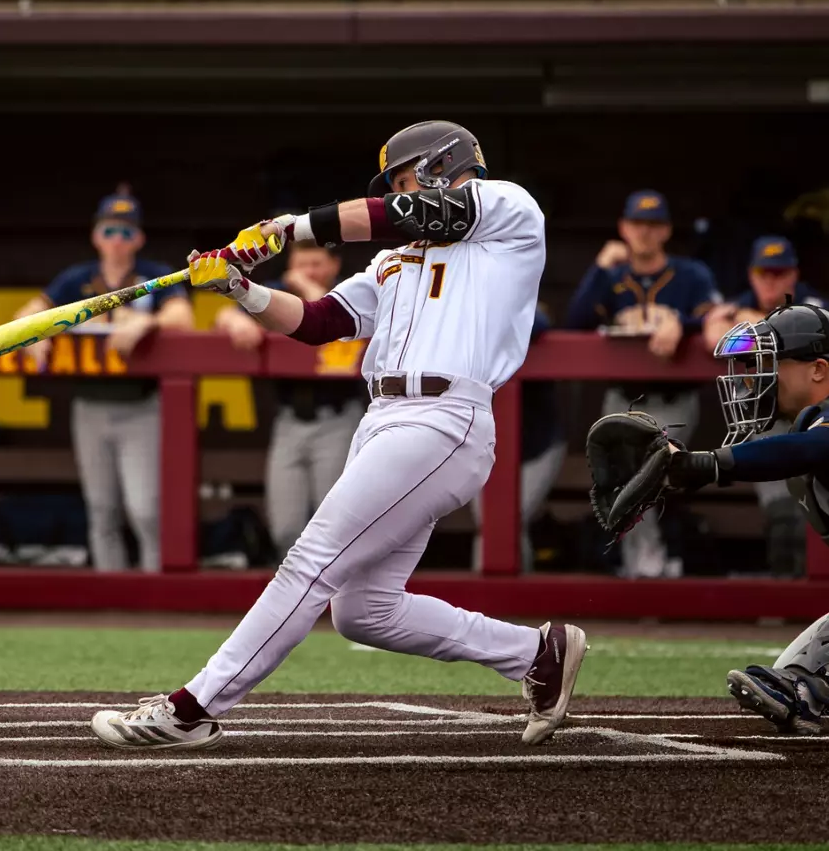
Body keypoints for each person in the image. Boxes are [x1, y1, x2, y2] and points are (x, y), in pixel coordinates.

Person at [89, 122, 585, 751]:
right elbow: (323, 321)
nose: (398, 196)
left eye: (404, 180)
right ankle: (535, 652)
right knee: (364, 611)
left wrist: (291, 227)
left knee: (310, 561)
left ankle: (193, 707)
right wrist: (239, 289)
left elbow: (415, 211)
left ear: (441, 166)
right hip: (382, 418)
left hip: (444, 417)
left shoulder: (509, 211)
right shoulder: (395, 261)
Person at [659, 302, 829, 734]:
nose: (756, 376)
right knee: (826, 674)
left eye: (772, 363)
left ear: (819, 369)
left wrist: (705, 464)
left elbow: (808, 450)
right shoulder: (819, 426)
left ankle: (799, 686)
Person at [16, 190, 195, 573]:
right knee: (101, 511)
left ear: (139, 239)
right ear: (97, 236)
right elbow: (28, 312)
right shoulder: (77, 280)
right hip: (90, 405)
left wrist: (148, 321)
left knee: (146, 509)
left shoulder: (152, 275)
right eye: (110, 231)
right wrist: (37, 332)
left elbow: (184, 318)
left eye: (126, 233)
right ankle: (112, 605)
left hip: (141, 406)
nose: (117, 240)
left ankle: (155, 592)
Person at [565, 188, 721, 577]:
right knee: (622, 484)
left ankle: (657, 569)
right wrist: (599, 268)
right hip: (622, 397)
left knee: (655, 479)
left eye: (653, 225)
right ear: (624, 227)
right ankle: (641, 571)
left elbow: (719, 316)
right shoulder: (612, 277)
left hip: (673, 397)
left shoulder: (690, 275)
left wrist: (680, 323)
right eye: (637, 224)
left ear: (666, 230)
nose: (645, 233)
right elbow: (576, 321)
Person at [214, 236, 365, 560]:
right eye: (302, 264)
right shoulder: (278, 289)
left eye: (316, 264)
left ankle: (337, 603)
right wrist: (237, 321)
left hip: (338, 418)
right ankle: (296, 604)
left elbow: (332, 314)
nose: (309, 271)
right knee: (285, 527)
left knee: (336, 525)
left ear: (333, 265)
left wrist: (303, 284)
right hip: (289, 420)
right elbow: (223, 314)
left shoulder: (352, 287)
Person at [702, 235, 828, 577]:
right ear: (752, 274)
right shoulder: (737, 302)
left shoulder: (811, 304)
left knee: (814, 511)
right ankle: (783, 592)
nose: (771, 281)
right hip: (766, 418)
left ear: (793, 275)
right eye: (764, 273)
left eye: (780, 272)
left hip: (812, 420)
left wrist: (756, 322)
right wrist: (740, 319)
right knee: (780, 512)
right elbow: (715, 337)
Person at [469, 306, 565, 573]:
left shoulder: (522, 308)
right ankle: (486, 605)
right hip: (485, 450)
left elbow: (539, 321)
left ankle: (509, 604)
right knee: (490, 527)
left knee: (506, 523)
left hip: (536, 448)